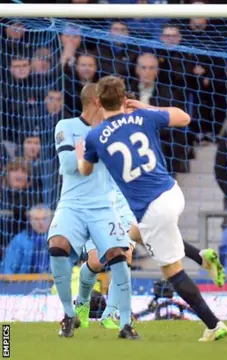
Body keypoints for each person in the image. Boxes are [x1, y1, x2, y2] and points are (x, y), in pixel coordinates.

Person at [77, 76, 227, 342]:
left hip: (152, 209)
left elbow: (85, 170)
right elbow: (184, 118)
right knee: (135, 235)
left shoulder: (94, 136)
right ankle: (202, 257)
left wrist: (82, 154)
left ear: (98, 101)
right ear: (126, 99)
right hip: (172, 192)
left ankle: (214, 324)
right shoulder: (144, 117)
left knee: (172, 271)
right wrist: (145, 108)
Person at [48, 83, 134, 339]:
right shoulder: (66, 126)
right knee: (57, 245)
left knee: (121, 254)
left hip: (103, 205)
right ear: (97, 101)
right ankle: (69, 314)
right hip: (72, 204)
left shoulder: (113, 130)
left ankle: (125, 323)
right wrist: (97, 147)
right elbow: (68, 165)